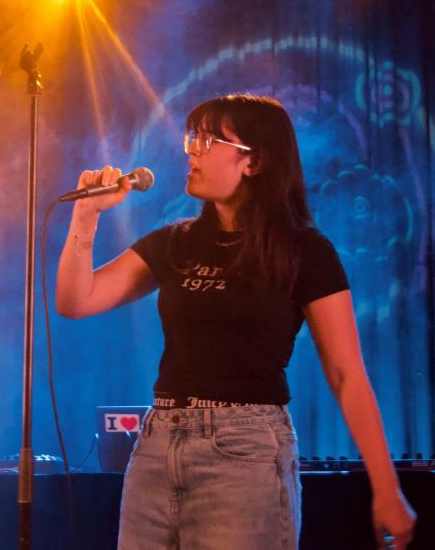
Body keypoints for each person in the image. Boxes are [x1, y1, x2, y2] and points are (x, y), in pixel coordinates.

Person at [56, 95, 416, 549]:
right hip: (157, 444)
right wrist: (85, 215)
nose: (191, 151)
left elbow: (347, 375)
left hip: (244, 450)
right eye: (193, 139)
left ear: (255, 161)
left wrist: (387, 489)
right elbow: (75, 301)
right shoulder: (176, 242)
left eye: (208, 140)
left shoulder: (304, 251)